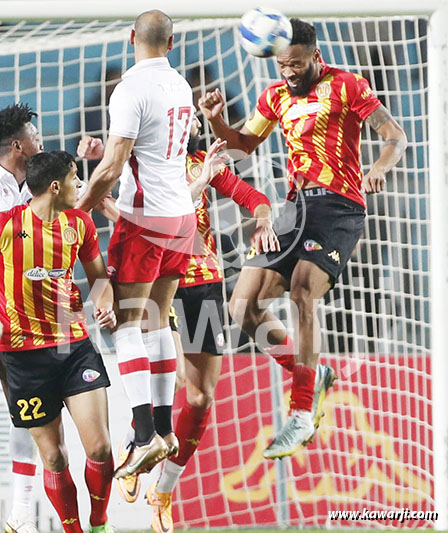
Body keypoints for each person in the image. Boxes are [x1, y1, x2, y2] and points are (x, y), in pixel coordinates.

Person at [199, 18, 407, 459]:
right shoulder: (274, 96)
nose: (289, 73)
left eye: (295, 64)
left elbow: (395, 136)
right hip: (295, 208)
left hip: (339, 206)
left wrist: (378, 168)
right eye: (282, 66)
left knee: (300, 293)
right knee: (241, 306)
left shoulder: (348, 85)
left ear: (315, 55)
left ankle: (300, 413)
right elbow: (242, 145)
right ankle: (311, 374)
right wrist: (216, 121)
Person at [75, 9, 226, 478]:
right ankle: (163, 431)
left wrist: (78, 210)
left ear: (131, 37)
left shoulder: (130, 89)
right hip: (182, 218)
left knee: (125, 324)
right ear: (172, 43)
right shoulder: (180, 85)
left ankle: (143, 435)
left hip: (145, 220)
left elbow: (112, 167)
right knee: (158, 321)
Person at [0, 151, 116, 533]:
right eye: (74, 178)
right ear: (55, 186)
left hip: (73, 347)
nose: (79, 185)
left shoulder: (80, 223)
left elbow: (100, 283)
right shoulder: (6, 225)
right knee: (53, 458)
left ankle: (99, 523)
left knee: (100, 448)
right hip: (23, 357)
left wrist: (106, 307)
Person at [0, 102, 42, 533]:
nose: (40, 142)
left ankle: (20, 513)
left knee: (22, 409)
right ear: (18, 145)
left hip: (19, 316)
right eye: (34, 136)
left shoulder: (35, 186)